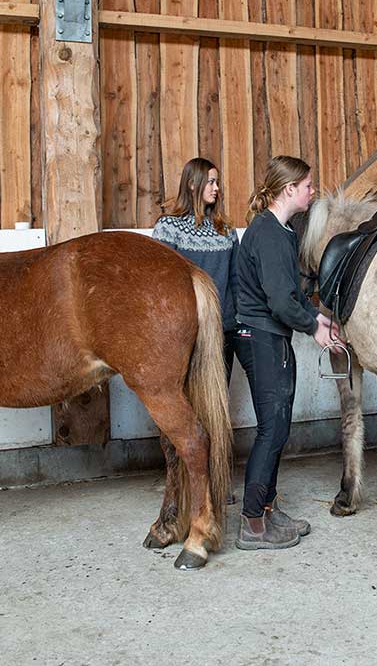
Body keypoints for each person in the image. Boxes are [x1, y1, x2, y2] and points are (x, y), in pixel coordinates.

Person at [233, 155, 340, 550]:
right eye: (308, 186)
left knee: (276, 428)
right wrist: (313, 326)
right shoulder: (269, 233)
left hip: (270, 336)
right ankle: (251, 524)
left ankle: (267, 511)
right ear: (288, 189)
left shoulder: (281, 231)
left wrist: (315, 315)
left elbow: (291, 295)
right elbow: (279, 302)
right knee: (271, 430)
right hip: (262, 337)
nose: (313, 192)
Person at [152, 157, 240, 505]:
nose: (216, 188)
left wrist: (234, 325)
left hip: (221, 333)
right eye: (210, 182)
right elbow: (159, 286)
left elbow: (233, 282)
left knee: (215, 409)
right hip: (182, 336)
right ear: (192, 184)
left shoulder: (226, 231)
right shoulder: (168, 229)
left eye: (218, 182)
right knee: (181, 410)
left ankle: (217, 484)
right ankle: (183, 486)